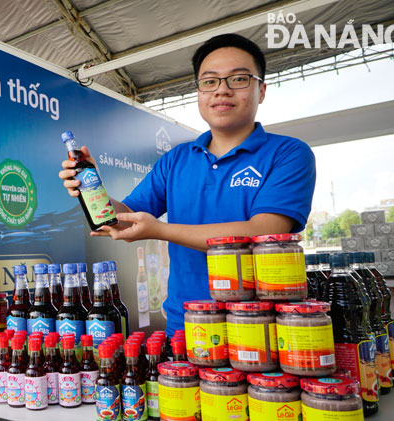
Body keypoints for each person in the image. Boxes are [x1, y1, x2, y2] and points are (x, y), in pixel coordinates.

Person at [59, 33, 316, 336]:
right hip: (186, 324)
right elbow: (124, 220)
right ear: (198, 92)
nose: (221, 90)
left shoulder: (288, 153)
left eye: (238, 79)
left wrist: (161, 230)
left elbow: (264, 232)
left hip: (264, 324)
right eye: (209, 81)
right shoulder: (176, 160)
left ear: (261, 90)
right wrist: (93, 190)